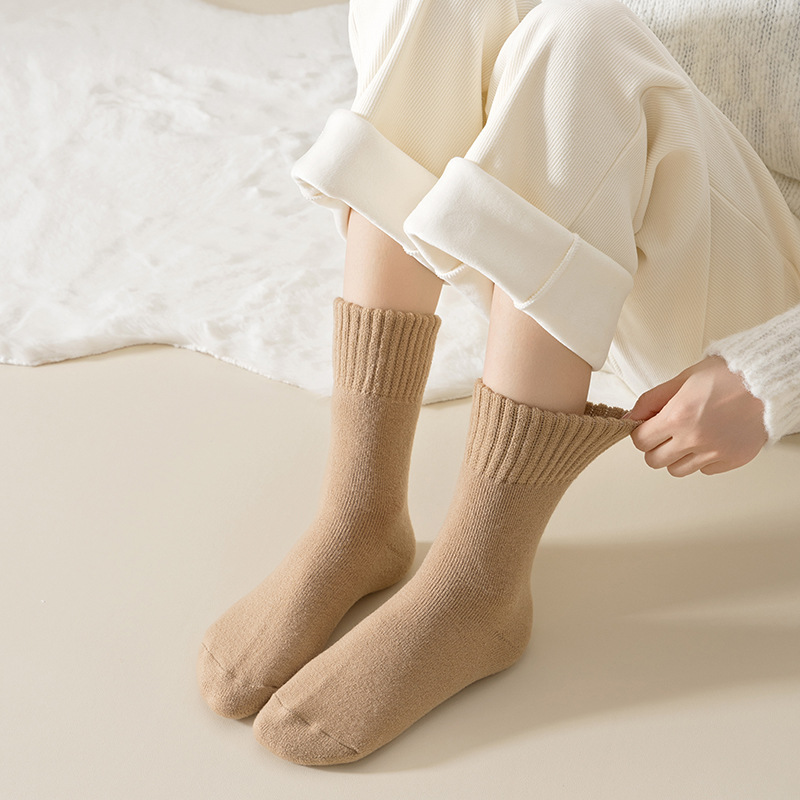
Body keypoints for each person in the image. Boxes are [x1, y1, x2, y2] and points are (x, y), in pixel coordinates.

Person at [197, 0, 800, 765]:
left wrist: (774, 366)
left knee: (586, 41)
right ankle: (358, 515)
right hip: (606, 247)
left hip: (754, 306)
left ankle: (479, 584)